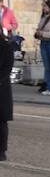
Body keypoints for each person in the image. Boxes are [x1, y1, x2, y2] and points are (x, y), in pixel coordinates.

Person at [0, 31, 12, 161]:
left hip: (1, 89)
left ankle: (1, 151)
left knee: (1, 121)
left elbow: (7, 68)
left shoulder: (6, 46)